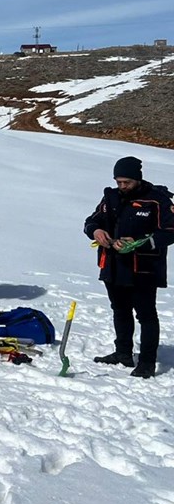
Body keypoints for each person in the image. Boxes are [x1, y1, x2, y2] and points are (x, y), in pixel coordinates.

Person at [84, 156, 174, 378]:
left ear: (138, 179)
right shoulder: (110, 197)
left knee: (146, 314)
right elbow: (91, 220)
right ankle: (123, 352)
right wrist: (96, 231)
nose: (122, 186)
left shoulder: (156, 200)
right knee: (120, 310)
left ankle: (147, 362)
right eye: (119, 182)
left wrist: (142, 241)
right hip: (113, 265)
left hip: (143, 268)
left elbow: (170, 231)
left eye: (127, 182)